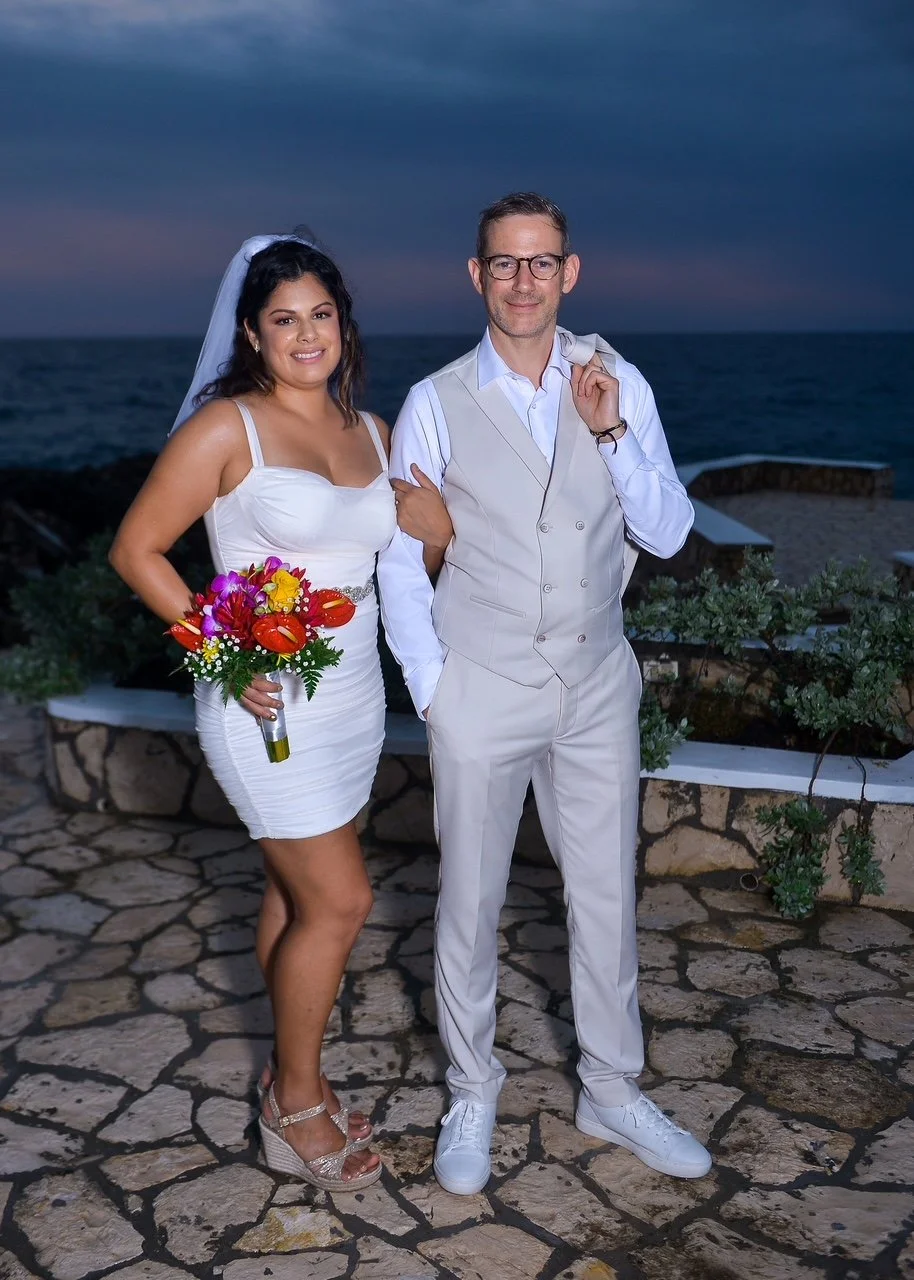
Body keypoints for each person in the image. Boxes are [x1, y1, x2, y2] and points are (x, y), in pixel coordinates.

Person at [377, 192, 711, 1195]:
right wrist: (432, 685)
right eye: (503, 263)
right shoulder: (434, 401)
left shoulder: (616, 383)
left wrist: (609, 434)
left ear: (569, 273)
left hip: (597, 680)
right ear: (474, 276)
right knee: (468, 901)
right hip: (480, 682)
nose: (522, 281)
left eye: (540, 262)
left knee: (605, 894)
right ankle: (471, 1086)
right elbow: (403, 557)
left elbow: (666, 533)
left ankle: (609, 1088)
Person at [110, 233, 452, 1192]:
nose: (307, 335)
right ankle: (293, 1103)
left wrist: (433, 536)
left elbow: (395, 576)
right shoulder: (228, 430)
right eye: (284, 320)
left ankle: (293, 1071)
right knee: (342, 901)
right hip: (266, 707)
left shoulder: (374, 432)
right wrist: (220, 655)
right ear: (254, 335)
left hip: (350, 700)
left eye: (321, 315)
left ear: (343, 323)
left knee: (293, 895)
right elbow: (137, 552)